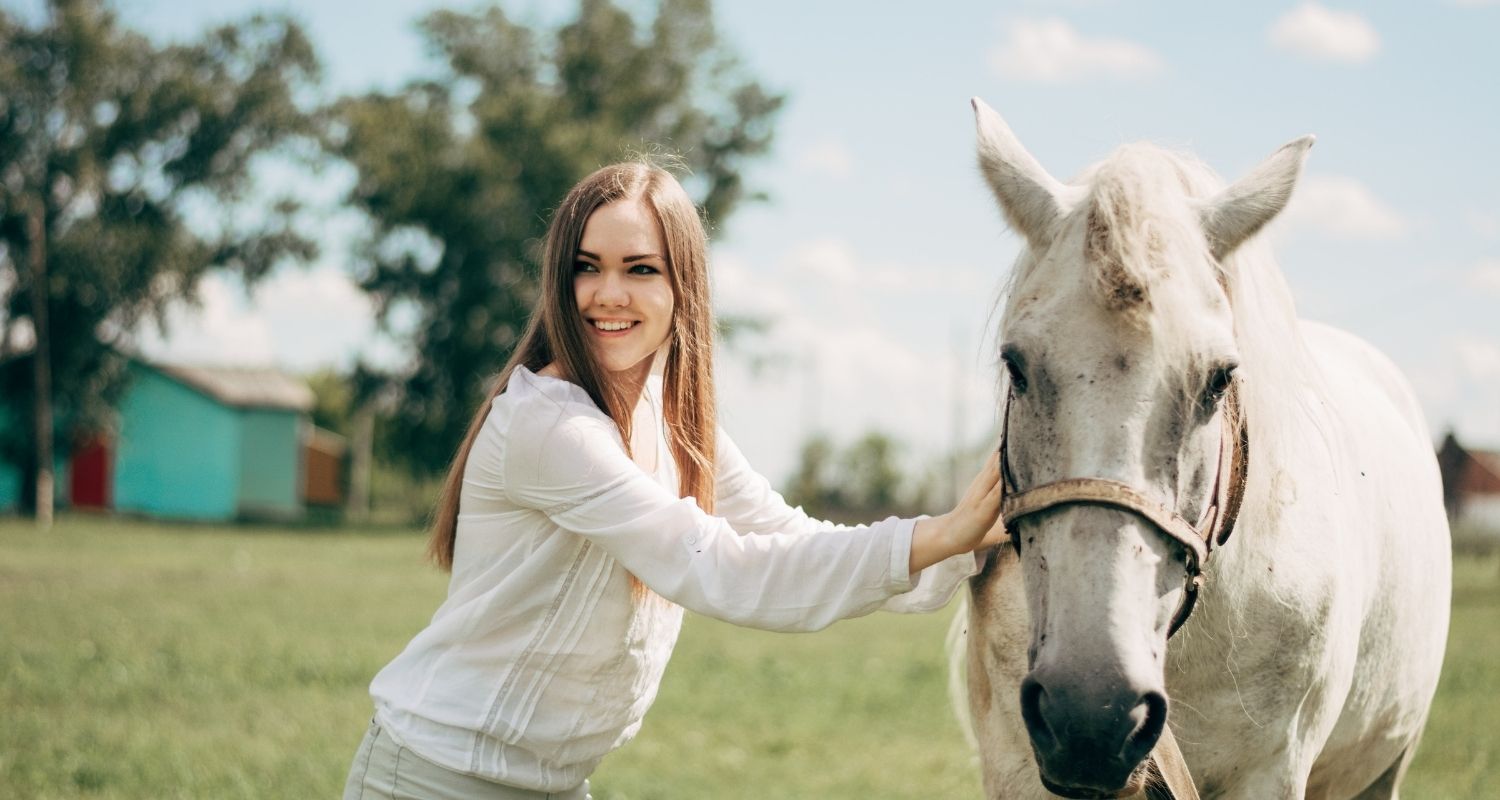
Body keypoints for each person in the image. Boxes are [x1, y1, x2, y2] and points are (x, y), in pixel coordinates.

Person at [343, 161, 1006, 800]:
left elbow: (785, 536)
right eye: (587, 268)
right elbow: (722, 567)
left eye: (640, 270)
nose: (608, 293)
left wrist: (961, 544)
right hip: (437, 778)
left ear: (681, 285)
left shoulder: (680, 425)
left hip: (553, 784)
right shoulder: (550, 427)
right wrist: (938, 534)